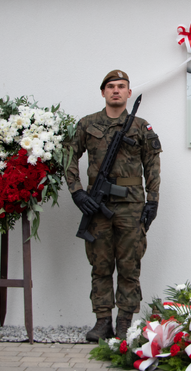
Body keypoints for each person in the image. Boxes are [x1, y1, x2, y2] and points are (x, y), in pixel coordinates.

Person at [65, 70, 162, 342]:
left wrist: (152, 202)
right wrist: (77, 192)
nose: (116, 90)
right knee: (100, 265)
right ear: (103, 92)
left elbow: (153, 166)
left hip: (131, 205)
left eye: (121, 86)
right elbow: (68, 156)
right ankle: (102, 321)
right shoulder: (87, 124)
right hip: (96, 206)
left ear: (129, 93)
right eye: (110, 86)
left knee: (129, 266)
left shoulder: (141, 127)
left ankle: (124, 323)